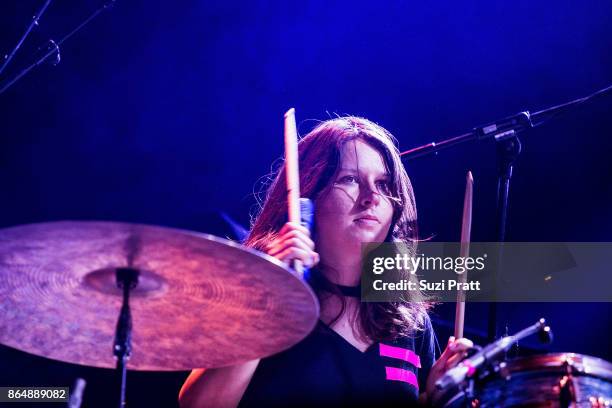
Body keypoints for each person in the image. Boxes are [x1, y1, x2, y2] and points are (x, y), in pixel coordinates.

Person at [179, 116, 472, 407]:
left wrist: (436, 398)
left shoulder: (409, 321)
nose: (371, 197)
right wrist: (268, 294)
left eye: (383, 184)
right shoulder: (259, 293)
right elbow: (200, 405)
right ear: (309, 194)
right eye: (350, 179)